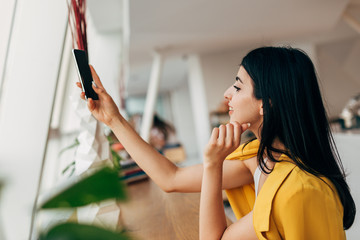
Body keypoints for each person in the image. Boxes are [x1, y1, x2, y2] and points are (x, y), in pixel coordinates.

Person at [77, 46, 356, 239]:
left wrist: (213, 164)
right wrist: (113, 119)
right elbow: (170, 178)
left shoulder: (295, 188)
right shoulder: (259, 156)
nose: (227, 94)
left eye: (237, 86)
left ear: (266, 104)